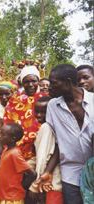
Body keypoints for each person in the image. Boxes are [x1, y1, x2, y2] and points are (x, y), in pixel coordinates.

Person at [36, 64, 93, 204]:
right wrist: (48, 171)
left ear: (67, 82)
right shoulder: (53, 106)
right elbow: (58, 142)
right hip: (70, 173)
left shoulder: (92, 101)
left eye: (53, 83)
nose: (49, 87)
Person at [3, 66, 46, 160]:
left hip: (40, 147)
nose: (30, 84)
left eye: (34, 81)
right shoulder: (14, 101)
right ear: (22, 83)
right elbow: (7, 123)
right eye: (26, 82)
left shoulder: (44, 99)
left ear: (38, 82)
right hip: (17, 150)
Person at [28, 96, 63, 204]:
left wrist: (35, 185)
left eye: (43, 112)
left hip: (48, 183)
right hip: (55, 180)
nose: (39, 115)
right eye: (37, 111)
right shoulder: (55, 126)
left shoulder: (46, 127)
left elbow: (43, 158)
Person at [0, 123, 37, 204]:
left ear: (13, 139)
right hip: (1, 195)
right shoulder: (5, 150)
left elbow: (32, 174)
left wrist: (22, 187)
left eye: (2, 134)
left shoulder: (15, 153)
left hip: (11, 198)